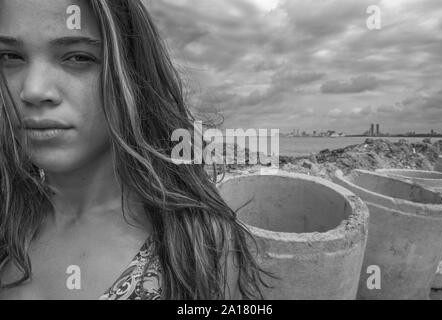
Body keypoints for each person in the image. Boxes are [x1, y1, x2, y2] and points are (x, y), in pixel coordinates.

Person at [0, 0, 269, 300]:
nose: (33, 90)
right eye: (10, 56)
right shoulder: (8, 214)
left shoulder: (194, 247)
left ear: (132, 74)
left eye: (77, 57)